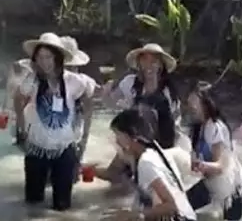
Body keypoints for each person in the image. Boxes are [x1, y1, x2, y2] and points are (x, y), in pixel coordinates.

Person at [14, 32, 93, 211]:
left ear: (57, 58)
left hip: (64, 150)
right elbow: (18, 99)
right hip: (36, 149)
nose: (44, 62)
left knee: (62, 207)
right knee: (32, 205)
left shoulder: (74, 81)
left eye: (48, 57)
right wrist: (21, 127)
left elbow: (89, 100)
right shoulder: (32, 81)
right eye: (40, 57)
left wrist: (84, 136)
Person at [98, 43, 184, 183]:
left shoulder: (168, 93)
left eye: (153, 61)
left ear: (160, 65)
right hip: (133, 140)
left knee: (140, 185)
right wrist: (106, 93)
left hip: (159, 144)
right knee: (112, 177)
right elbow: (110, 104)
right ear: (139, 63)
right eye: (144, 60)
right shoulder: (130, 82)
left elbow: (173, 128)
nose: (148, 65)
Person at [109, 109, 197, 221]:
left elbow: (171, 207)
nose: (116, 141)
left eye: (118, 135)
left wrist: (134, 215)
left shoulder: (146, 163)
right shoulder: (153, 151)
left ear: (130, 136)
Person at [186, 82, 242, 220]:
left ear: (207, 104)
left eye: (194, 101)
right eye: (189, 101)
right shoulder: (197, 128)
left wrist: (197, 165)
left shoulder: (215, 128)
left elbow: (220, 167)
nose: (190, 106)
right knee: (182, 206)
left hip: (231, 190)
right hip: (211, 186)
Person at [59, 36, 98, 181]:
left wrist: (84, 139)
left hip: (74, 136)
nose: (71, 70)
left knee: (71, 178)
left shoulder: (84, 82)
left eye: (72, 67)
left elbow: (88, 113)